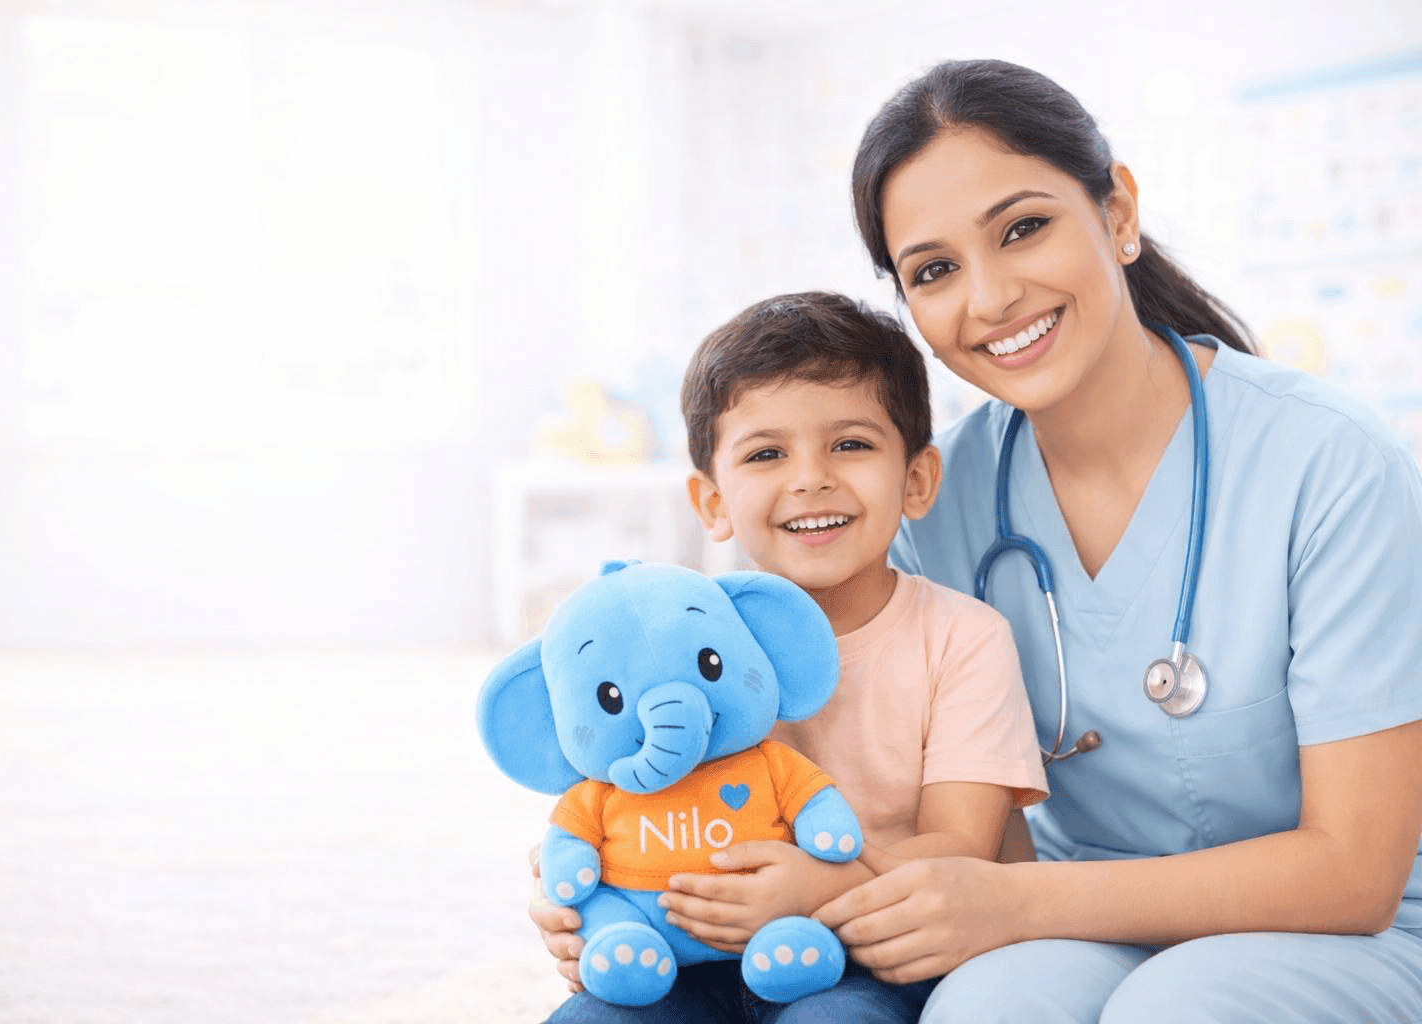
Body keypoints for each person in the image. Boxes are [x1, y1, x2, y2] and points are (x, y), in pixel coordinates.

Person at [804, 58, 1422, 1022]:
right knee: (984, 1009)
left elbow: (1355, 872)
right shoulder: (937, 499)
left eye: (1023, 228)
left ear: (1118, 212)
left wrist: (1016, 904)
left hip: (1342, 931)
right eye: (934, 270)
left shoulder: (1327, 460)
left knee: (1179, 1009)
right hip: (1078, 921)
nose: (990, 297)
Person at [532, 290, 1049, 1023]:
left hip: (876, 954)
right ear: (712, 503)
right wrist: (573, 906)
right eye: (766, 454)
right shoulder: (673, 638)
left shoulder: (964, 638)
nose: (810, 479)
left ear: (917, 479)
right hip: (685, 951)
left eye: (851, 444)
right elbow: (601, 803)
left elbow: (962, 847)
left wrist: (822, 887)